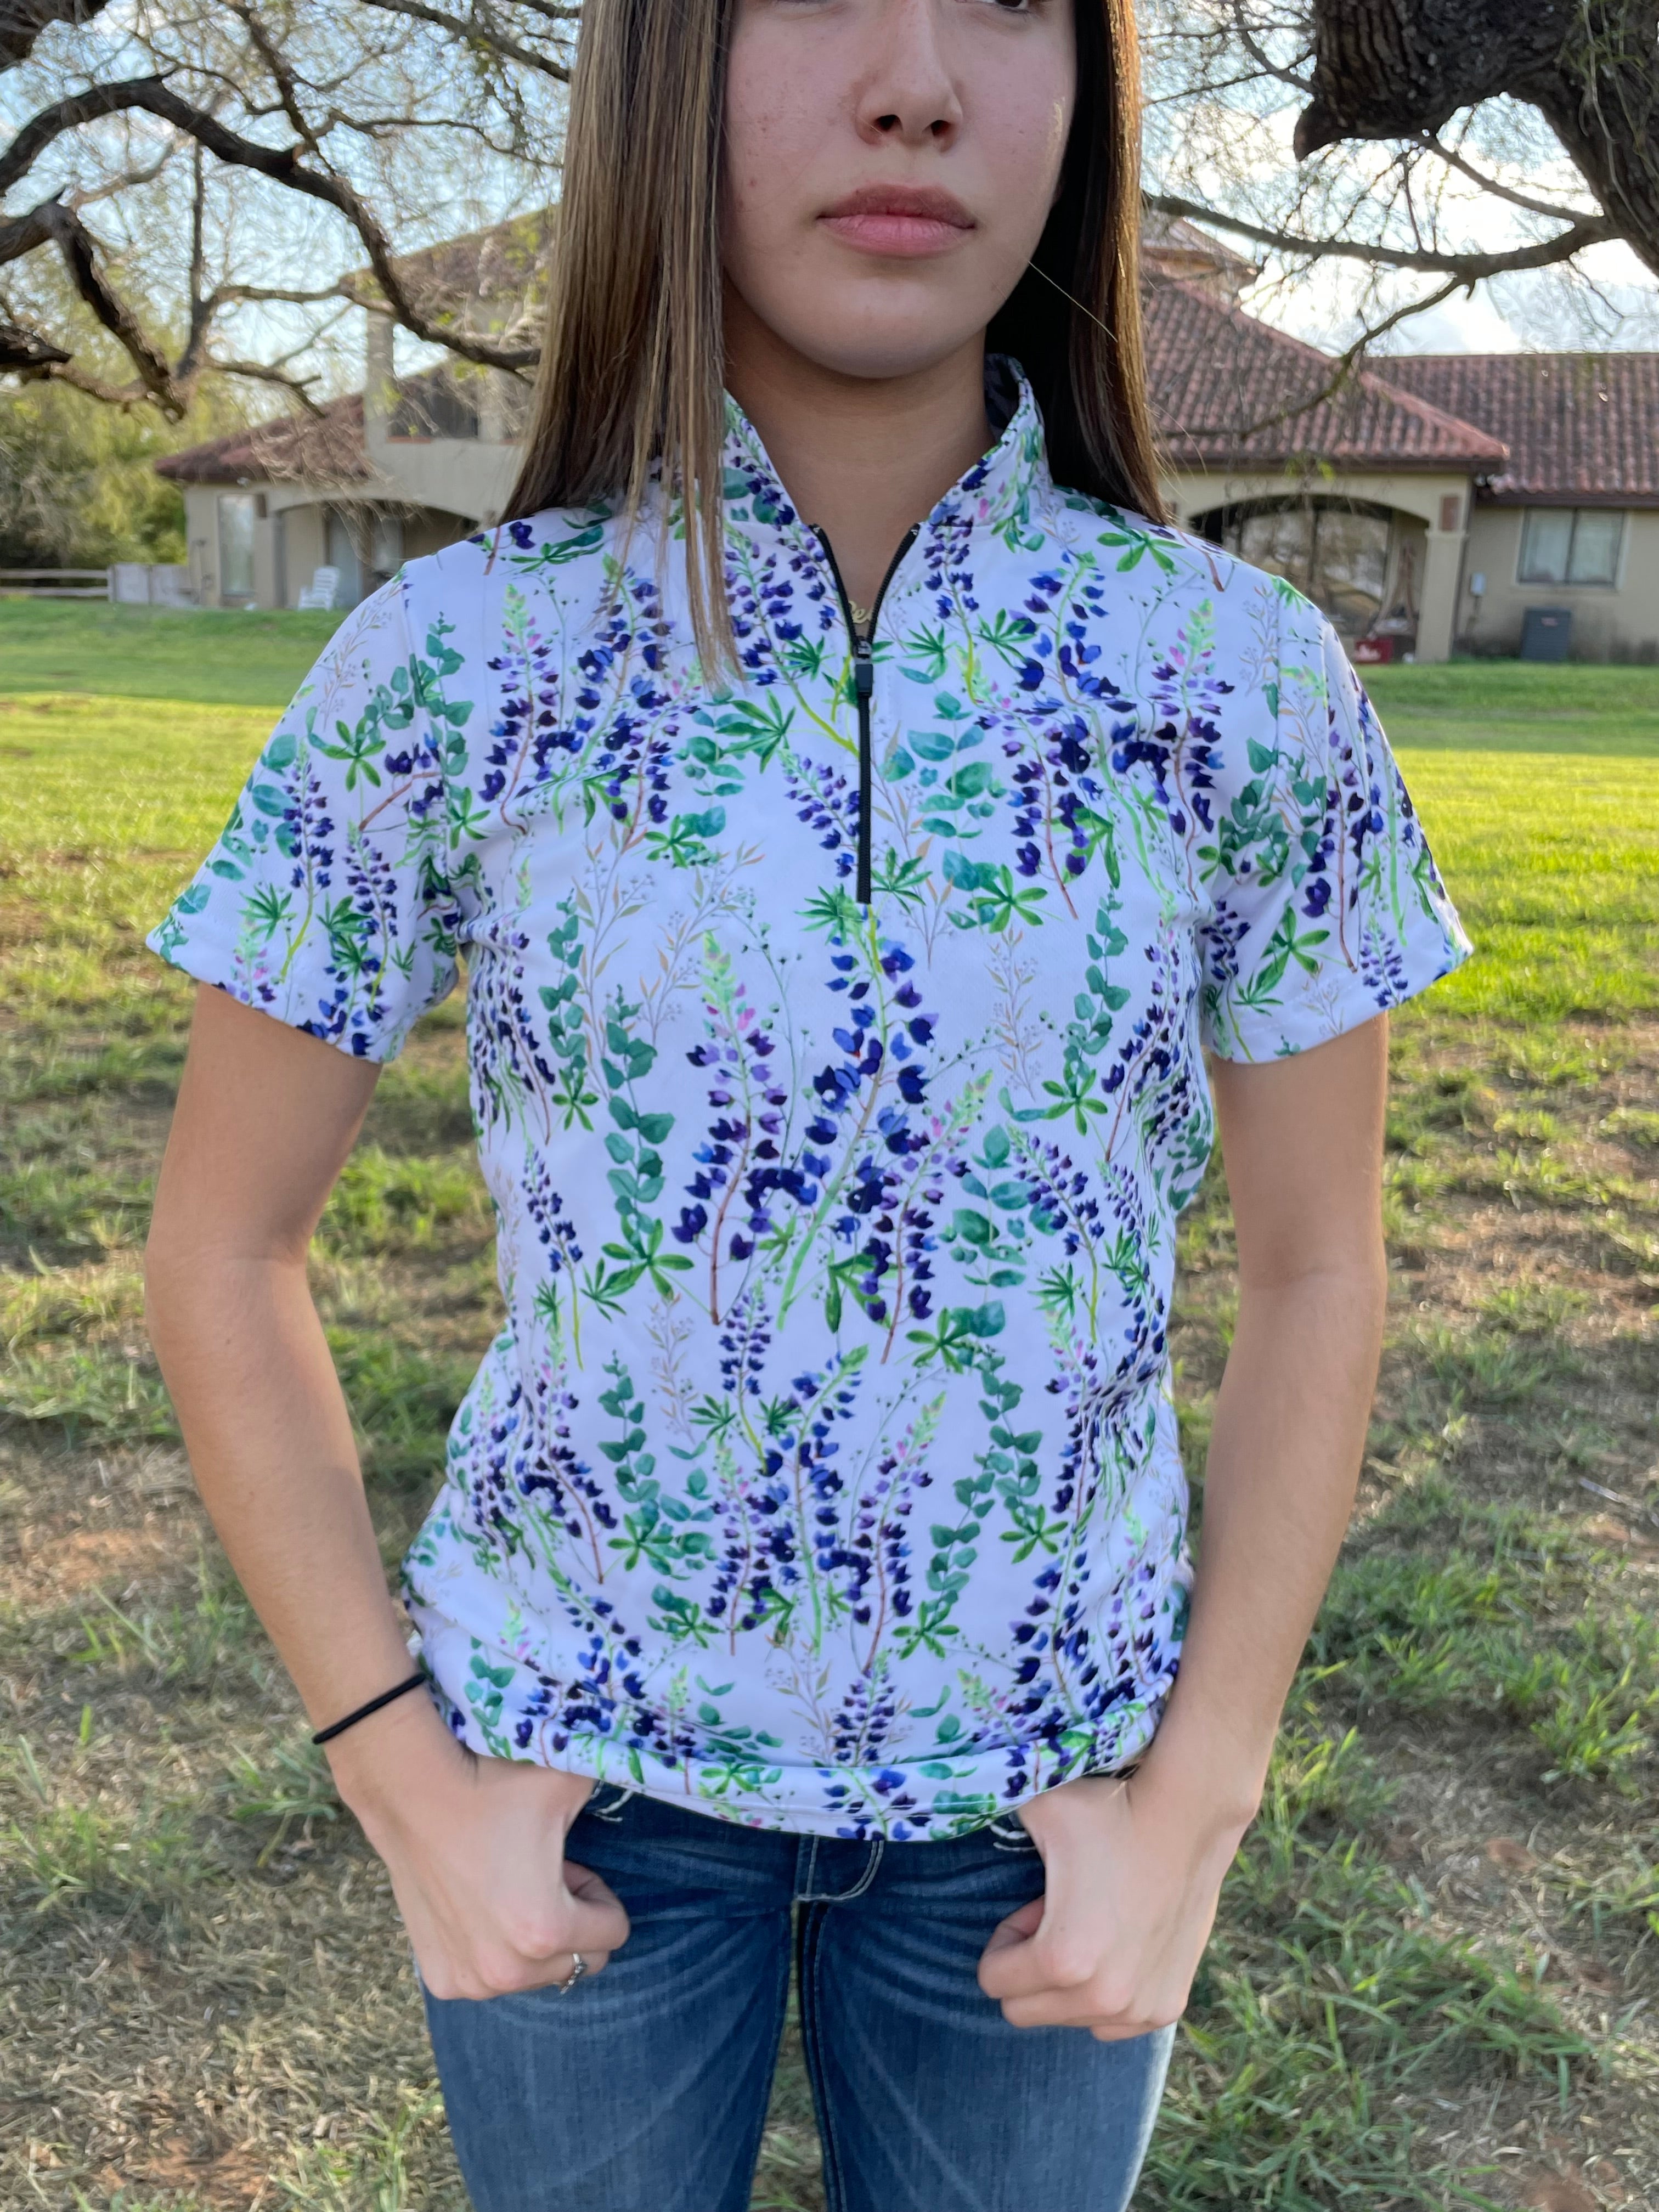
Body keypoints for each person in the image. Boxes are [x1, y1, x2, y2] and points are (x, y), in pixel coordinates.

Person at [142, 0, 1471, 2204]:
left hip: (1050, 1819)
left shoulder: (1233, 676)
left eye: (1006, 6)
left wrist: (1201, 1804)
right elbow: (221, 1243)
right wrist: (405, 1784)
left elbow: (1323, 1268)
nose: (918, 81)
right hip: (570, 1788)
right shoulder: (464, 660)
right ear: (673, 62)